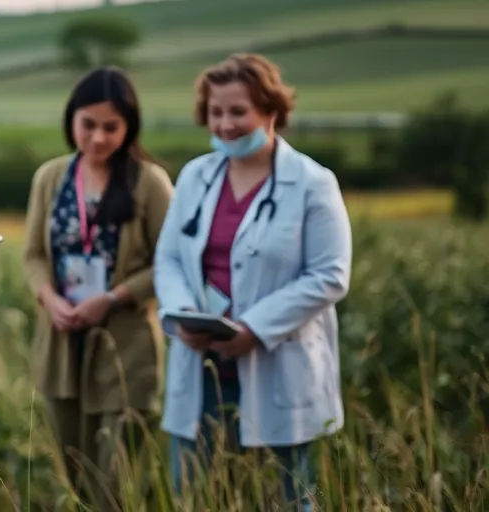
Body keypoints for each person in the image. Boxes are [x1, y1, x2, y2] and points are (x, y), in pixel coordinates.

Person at [153, 54, 351, 510]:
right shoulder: (196, 177)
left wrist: (254, 329)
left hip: (278, 362)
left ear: (271, 111)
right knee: (198, 495)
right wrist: (180, 314)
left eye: (238, 112)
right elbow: (168, 257)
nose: (225, 125)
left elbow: (330, 275)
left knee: (285, 495)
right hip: (202, 363)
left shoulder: (312, 184)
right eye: (216, 112)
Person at [22, 67, 173, 509]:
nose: (99, 138)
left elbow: (171, 263)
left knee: (114, 485)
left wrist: (111, 298)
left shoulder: (150, 182)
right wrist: (49, 300)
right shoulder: (50, 177)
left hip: (124, 347)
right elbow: (32, 255)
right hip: (61, 341)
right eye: (88, 125)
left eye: (112, 127)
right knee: (76, 480)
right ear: (71, 120)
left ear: (129, 127)